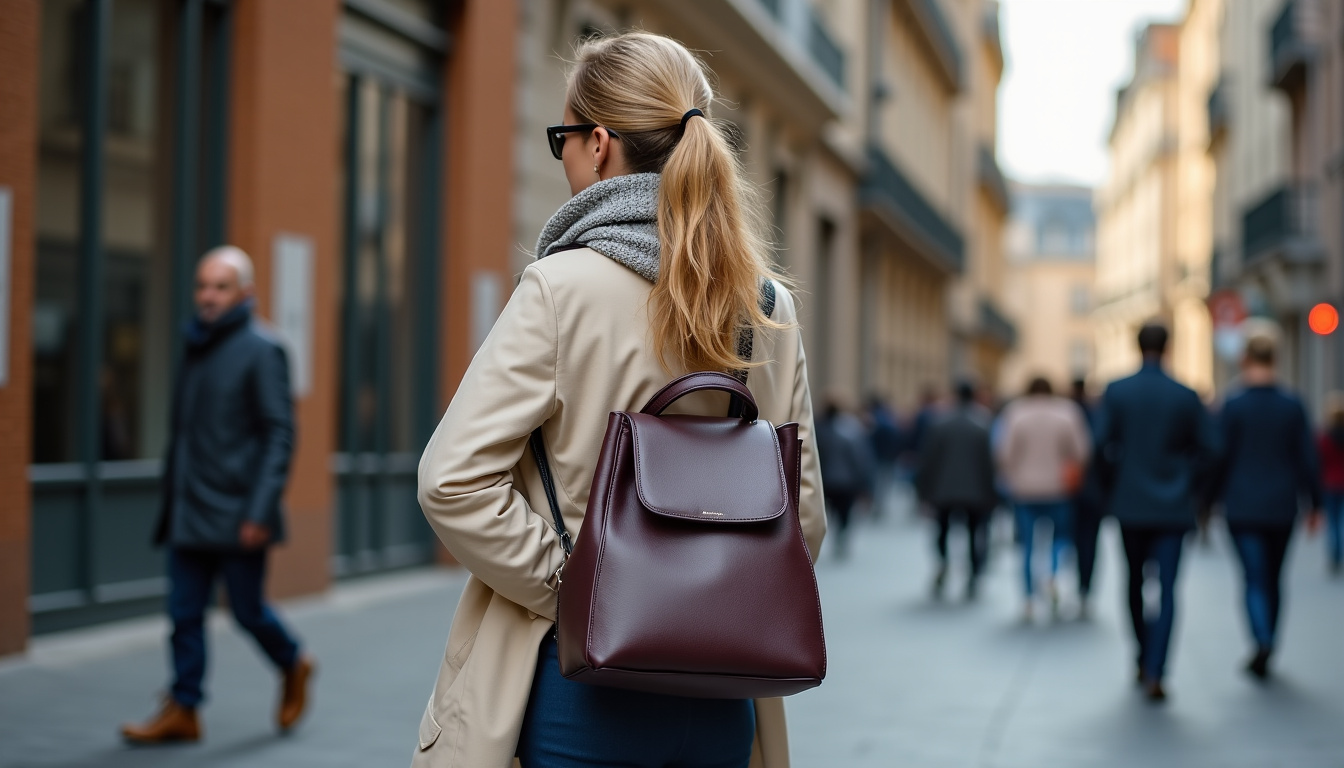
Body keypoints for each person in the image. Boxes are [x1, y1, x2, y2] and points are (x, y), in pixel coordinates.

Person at [413, 32, 825, 768]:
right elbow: (804, 517)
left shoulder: (560, 288)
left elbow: (453, 480)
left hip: (581, 683)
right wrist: (708, 598)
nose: (565, 156)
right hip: (723, 694)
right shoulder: (767, 306)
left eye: (562, 139)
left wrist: (579, 587)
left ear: (598, 144)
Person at [121, 247, 314, 744]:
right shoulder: (196, 343)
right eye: (202, 285)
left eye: (220, 286)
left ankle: (293, 662)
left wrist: (258, 510)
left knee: (247, 612)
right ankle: (185, 708)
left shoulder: (263, 348)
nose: (208, 295)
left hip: (236, 510)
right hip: (188, 506)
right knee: (183, 613)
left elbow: (279, 435)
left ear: (245, 293)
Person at [1094, 323, 1218, 702]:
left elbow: (1099, 446)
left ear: (1136, 345)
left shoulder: (1117, 391)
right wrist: (1192, 486)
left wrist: (1113, 485)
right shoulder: (1185, 394)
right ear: (1169, 347)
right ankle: (1157, 668)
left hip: (1130, 503)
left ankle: (1142, 653)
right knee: (1167, 588)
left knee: (1133, 582)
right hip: (1173, 504)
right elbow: (1210, 449)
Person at [1212, 334, 1322, 679]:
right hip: (1281, 504)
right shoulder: (1292, 404)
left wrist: (1206, 500)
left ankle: (1261, 638)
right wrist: (1316, 503)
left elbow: (1219, 456)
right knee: (1274, 577)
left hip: (1242, 504)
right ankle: (1269, 637)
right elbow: (1307, 458)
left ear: (1246, 360)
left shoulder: (1234, 404)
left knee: (1254, 577)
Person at [996, 376, 1091, 620]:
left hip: (1024, 490)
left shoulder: (1015, 413)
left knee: (1027, 544)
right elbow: (1081, 452)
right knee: (1060, 538)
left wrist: (1013, 474)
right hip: (1059, 488)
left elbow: (1004, 453)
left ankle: (1028, 598)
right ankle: (1054, 574)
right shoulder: (1067, 412)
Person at [916, 380, 998, 600]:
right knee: (974, 533)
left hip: (943, 489)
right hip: (975, 490)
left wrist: (923, 492)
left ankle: (943, 563)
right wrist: (992, 493)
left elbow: (928, 460)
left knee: (942, 530)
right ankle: (973, 574)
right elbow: (989, 462)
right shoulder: (984, 422)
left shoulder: (939, 422)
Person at [816, 398, 875, 560]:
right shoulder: (851, 430)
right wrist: (864, 483)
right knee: (844, 512)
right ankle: (841, 536)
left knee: (830, 510)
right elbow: (860, 458)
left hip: (826, 479)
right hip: (847, 481)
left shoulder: (818, 429)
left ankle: (835, 536)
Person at [1069, 378, 1106, 618]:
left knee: (1068, 539)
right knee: (1090, 542)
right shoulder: (1096, 416)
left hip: (1068, 489)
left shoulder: (1066, 414)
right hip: (1093, 490)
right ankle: (1085, 587)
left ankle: (1070, 584)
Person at [1316, 393, 1344, 575]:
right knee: (1340, 522)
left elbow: (1318, 461)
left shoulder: (1324, 437)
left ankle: (1335, 555)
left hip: (1329, 484)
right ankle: (1339, 553)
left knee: (1332, 522)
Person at [866, 394, 905, 519]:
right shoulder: (887, 418)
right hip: (888, 456)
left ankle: (878, 507)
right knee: (884, 483)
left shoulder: (876, 420)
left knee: (879, 483)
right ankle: (879, 506)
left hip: (879, 456)